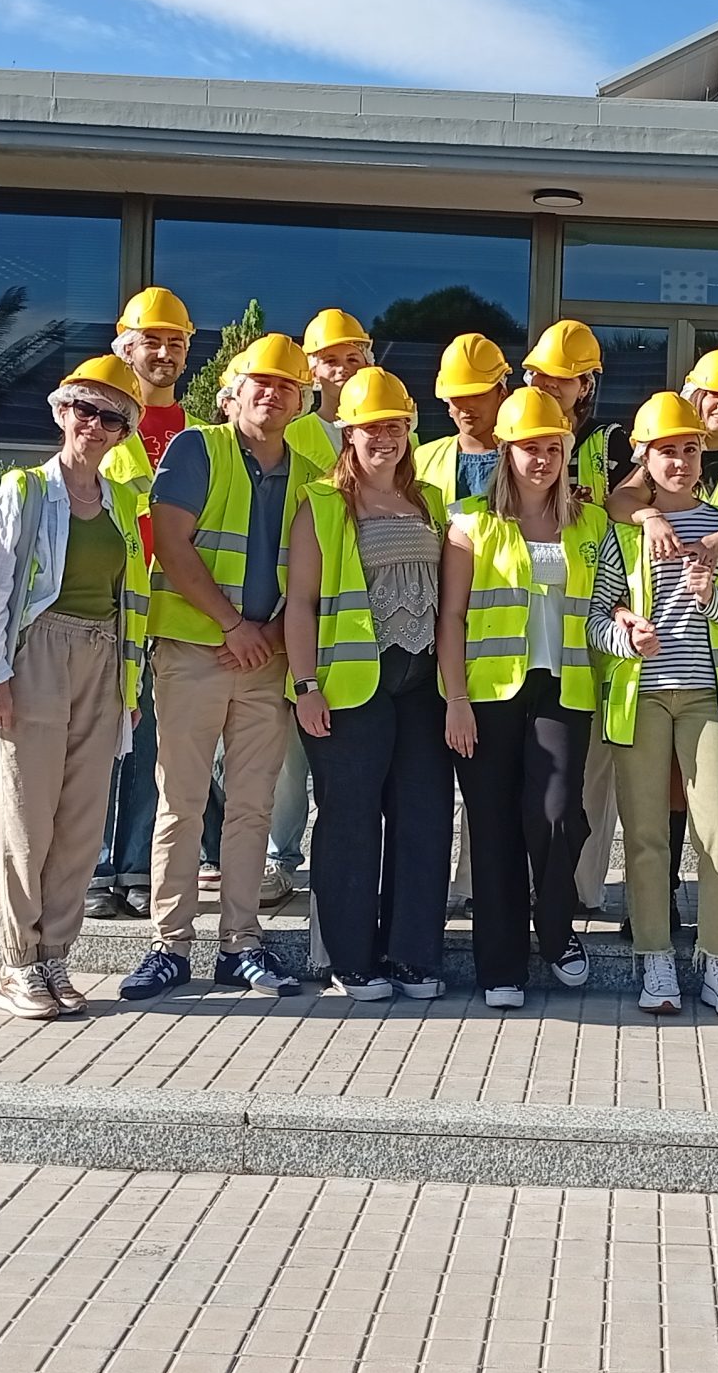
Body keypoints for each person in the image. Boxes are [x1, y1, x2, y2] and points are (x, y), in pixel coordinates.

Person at [122, 333, 317, 1005]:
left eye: (287, 385)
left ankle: (241, 943)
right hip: (195, 653)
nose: (273, 394)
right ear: (234, 393)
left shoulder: (310, 473)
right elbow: (172, 546)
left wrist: (266, 636)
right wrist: (235, 627)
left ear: (300, 401)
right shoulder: (196, 449)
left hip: (267, 661)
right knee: (181, 803)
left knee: (252, 808)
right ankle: (169, 945)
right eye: (262, 382)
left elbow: (311, 576)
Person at [0, 356, 151, 1019]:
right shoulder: (23, 492)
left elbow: (131, 599)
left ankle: (55, 956)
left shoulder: (122, 501)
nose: (94, 426)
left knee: (79, 823)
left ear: (124, 433)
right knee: (25, 818)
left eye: (112, 418)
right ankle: (17, 962)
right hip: (36, 656)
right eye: (84, 410)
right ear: (62, 412)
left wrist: (129, 686)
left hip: (103, 661)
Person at [590, 391, 718, 1020]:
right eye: (666, 451)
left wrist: (712, 597)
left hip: (709, 700)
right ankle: (655, 954)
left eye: (690, 449)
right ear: (643, 457)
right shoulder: (623, 531)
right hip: (641, 699)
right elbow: (597, 616)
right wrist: (628, 636)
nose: (681, 462)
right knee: (644, 835)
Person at [287, 367, 455, 1001]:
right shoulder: (323, 503)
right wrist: (305, 685)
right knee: (351, 820)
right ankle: (351, 959)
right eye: (370, 427)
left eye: (395, 426)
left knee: (424, 817)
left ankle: (413, 955)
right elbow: (300, 603)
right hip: (349, 686)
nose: (384, 438)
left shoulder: (430, 501)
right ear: (348, 433)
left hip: (422, 687)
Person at [440, 387, 605, 1007]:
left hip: (564, 687)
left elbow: (610, 600)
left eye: (553, 448)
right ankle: (501, 965)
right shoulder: (470, 522)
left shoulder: (590, 522)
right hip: (487, 694)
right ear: (505, 452)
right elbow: (452, 617)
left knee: (557, 816)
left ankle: (556, 929)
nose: (542, 459)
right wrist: (456, 700)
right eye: (529, 448)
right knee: (494, 827)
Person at [524, 318, 633, 925]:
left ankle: (581, 890)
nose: (547, 386)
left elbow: (632, 508)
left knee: (590, 778)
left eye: (561, 379)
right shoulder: (516, 432)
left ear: (586, 384)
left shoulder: (612, 444)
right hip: (526, 632)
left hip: (595, 626)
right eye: (539, 376)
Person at [88, 286, 192, 922]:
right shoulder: (100, 426)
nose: (163, 353)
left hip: (173, 615)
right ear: (124, 348)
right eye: (151, 340)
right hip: (109, 614)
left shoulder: (200, 436)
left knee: (153, 749)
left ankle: (135, 868)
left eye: (175, 342)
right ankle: (96, 867)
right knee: (103, 741)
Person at [522, 319, 630, 500]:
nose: (551, 383)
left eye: (564, 378)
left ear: (585, 388)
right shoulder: (511, 437)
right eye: (543, 373)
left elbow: (630, 502)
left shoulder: (611, 442)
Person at [416, 332, 511, 507]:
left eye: (478, 394)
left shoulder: (525, 456)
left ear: (502, 394)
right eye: (458, 396)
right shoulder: (423, 458)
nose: (468, 405)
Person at [302, 307, 373, 457]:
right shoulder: (292, 435)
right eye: (331, 361)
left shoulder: (396, 432)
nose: (342, 368)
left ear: (368, 366)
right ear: (313, 372)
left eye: (352, 359)